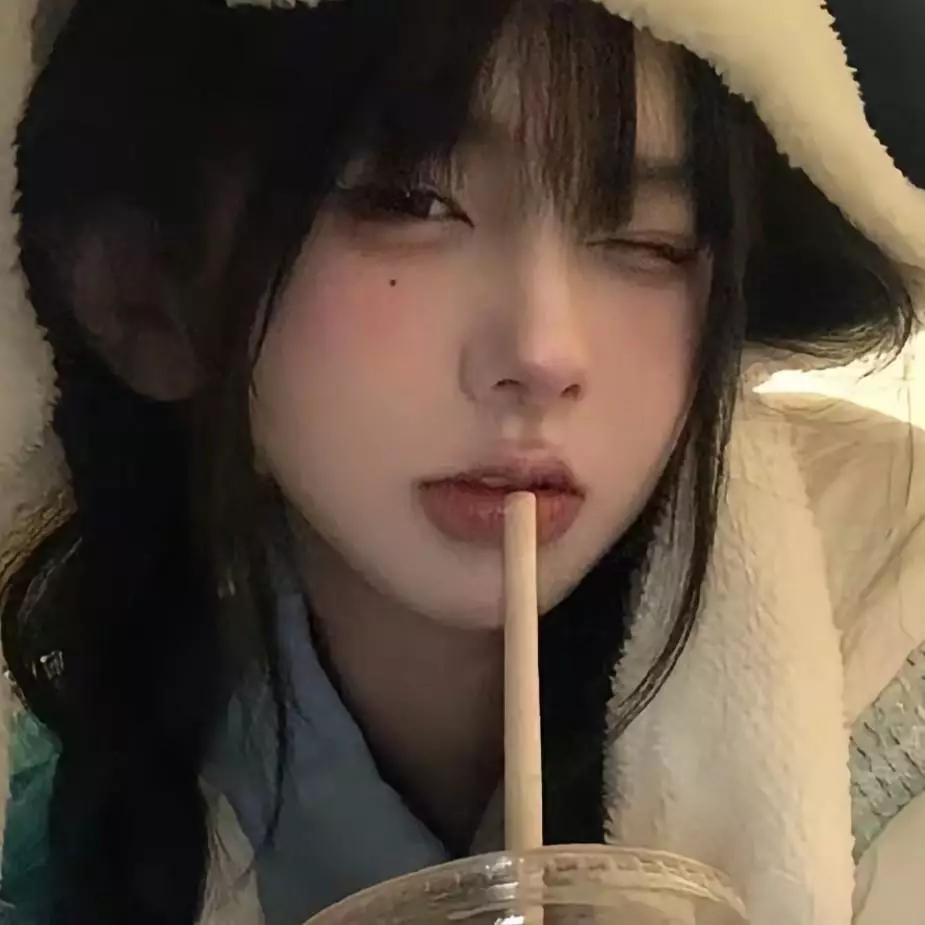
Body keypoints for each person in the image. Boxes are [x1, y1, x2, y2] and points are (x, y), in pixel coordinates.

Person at [0, 0, 923, 923]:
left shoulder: (894, 619)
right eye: (410, 202)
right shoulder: (46, 781)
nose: (545, 353)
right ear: (147, 291)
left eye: (650, 238)